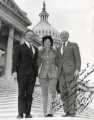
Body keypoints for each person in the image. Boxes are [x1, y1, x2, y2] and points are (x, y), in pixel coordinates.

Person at [12, 30, 38, 118]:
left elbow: (35, 63)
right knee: (21, 94)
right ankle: (20, 113)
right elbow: (15, 60)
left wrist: (36, 74)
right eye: (28, 35)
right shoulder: (19, 47)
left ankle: (27, 113)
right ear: (25, 36)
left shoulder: (35, 49)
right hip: (22, 74)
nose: (30, 37)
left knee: (30, 94)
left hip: (32, 75)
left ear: (33, 37)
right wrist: (14, 71)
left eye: (31, 35)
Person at [57, 31, 81, 116]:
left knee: (71, 92)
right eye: (62, 35)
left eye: (65, 35)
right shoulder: (58, 47)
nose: (63, 36)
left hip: (71, 72)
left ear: (68, 36)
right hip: (61, 74)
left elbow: (78, 58)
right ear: (60, 37)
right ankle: (66, 111)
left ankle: (72, 112)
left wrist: (77, 69)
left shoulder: (73, 45)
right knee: (63, 93)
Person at [37, 35, 59, 117]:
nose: (47, 43)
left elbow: (58, 62)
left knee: (52, 93)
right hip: (43, 75)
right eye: (45, 42)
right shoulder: (40, 51)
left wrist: (59, 72)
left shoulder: (55, 51)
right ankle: (44, 112)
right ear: (43, 43)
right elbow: (38, 62)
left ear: (51, 43)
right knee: (44, 94)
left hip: (53, 74)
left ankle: (50, 112)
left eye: (49, 42)